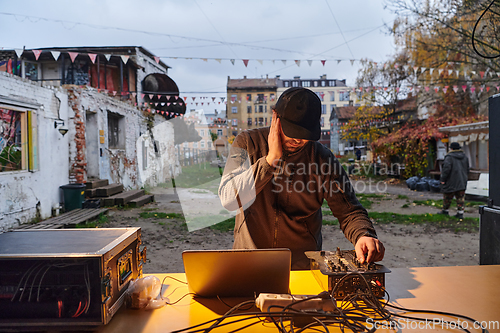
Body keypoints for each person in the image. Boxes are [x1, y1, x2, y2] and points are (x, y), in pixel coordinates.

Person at [218, 87, 384, 270]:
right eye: (292, 131)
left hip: (301, 267)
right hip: (249, 264)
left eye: (305, 134)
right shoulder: (247, 143)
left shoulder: (322, 159)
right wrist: (269, 160)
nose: (298, 139)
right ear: (275, 116)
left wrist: (363, 234)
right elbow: (228, 199)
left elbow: (349, 211)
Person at [439, 142, 470, 219]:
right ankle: (460, 213)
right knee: (460, 198)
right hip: (462, 180)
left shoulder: (449, 157)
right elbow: (467, 169)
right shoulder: (465, 157)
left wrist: (443, 179)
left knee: (447, 196)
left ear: (451, 148)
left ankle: (445, 211)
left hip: (451, 180)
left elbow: (446, 169)